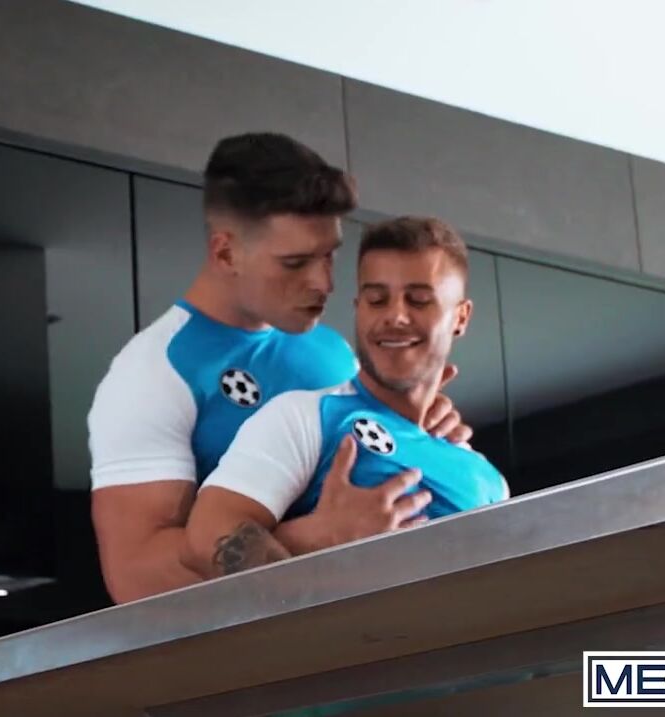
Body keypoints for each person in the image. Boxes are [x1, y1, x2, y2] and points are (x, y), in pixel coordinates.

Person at [87, 134, 473, 604]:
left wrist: (419, 427)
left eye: (329, 255)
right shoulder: (152, 373)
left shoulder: (332, 351)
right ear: (226, 253)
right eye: (296, 263)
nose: (324, 283)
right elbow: (134, 580)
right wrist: (316, 539)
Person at [182, 216, 509, 579]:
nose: (395, 316)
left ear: (460, 317)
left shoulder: (486, 479)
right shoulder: (306, 417)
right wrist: (318, 537)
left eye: (418, 300)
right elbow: (206, 537)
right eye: (376, 300)